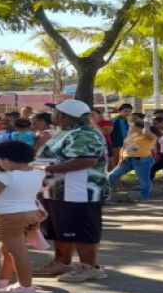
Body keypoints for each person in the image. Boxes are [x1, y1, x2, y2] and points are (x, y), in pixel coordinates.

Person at [37, 99, 109, 282]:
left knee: (81, 230)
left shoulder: (84, 134)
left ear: (62, 115)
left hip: (79, 191)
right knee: (63, 229)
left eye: (55, 111)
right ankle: (62, 262)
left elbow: (86, 160)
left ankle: (89, 267)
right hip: (60, 190)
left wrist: (47, 169)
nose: (53, 114)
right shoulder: (68, 132)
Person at [0, 140, 45, 293]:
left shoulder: (5, 177)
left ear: (7, 160)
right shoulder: (38, 173)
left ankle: (25, 285)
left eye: (0, 160)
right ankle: (3, 278)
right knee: (7, 248)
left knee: (17, 251)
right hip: (30, 213)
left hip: (8, 217)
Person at [107, 118, 157, 201]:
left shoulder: (148, 135)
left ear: (139, 127)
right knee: (112, 175)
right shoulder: (131, 135)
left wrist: (146, 126)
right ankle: (106, 194)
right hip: (127, 160)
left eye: (132, 126)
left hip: (142, 160)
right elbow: (124, 147)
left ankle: (144, 198)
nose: (130, 127)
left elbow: (147, 133)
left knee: (143, 179)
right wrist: (121, 159)